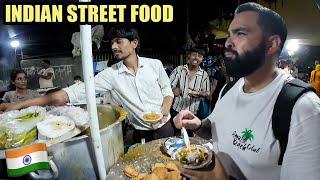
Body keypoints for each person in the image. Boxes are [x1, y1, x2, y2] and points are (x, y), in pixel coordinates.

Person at [173, 2, 320, 180]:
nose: (228, 42)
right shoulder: (230, 88)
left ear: (271, 44)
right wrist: (197, 124)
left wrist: (221, 178)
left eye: (240, 33)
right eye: (229, 34)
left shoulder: (303, 109)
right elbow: (213, 127)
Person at [0, 24, 174, 143]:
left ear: (134, 43)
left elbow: (168, 91)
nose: (113, 46)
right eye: (111, 42)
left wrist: (164, 111)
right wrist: (20, 105)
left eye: (118, 41)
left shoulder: (155, 65)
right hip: (139, 131)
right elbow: (69, 93)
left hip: (163, 127)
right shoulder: (110, 75)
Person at [169, 47, 210, 135]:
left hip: (192, 113)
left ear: (202, 59)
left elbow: (207, 92)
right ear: (189, 56)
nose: (196, 58)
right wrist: (173, 90)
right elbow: (167, 88)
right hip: (176, 110)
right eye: (194, 55)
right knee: (173, 134)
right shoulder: (179, 70)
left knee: (188, 138)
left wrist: (197, 93)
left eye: (200, 56)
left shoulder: (204, 75)